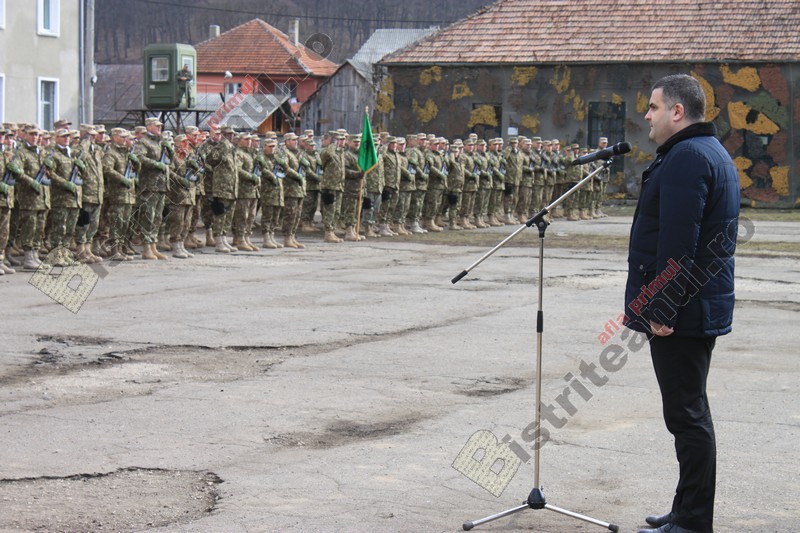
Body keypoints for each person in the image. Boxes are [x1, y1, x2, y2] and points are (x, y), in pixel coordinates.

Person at [625, 74, 740, 533]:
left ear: (677, 111)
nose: (647, 116)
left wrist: (662, 309)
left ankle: (691, 522)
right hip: (696, 306)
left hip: (682, 313)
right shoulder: (707, 151)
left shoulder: (688, 157)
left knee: (687, 417)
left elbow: (679, 242)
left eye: (653, 107)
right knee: (689, 413)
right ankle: (686, 510)